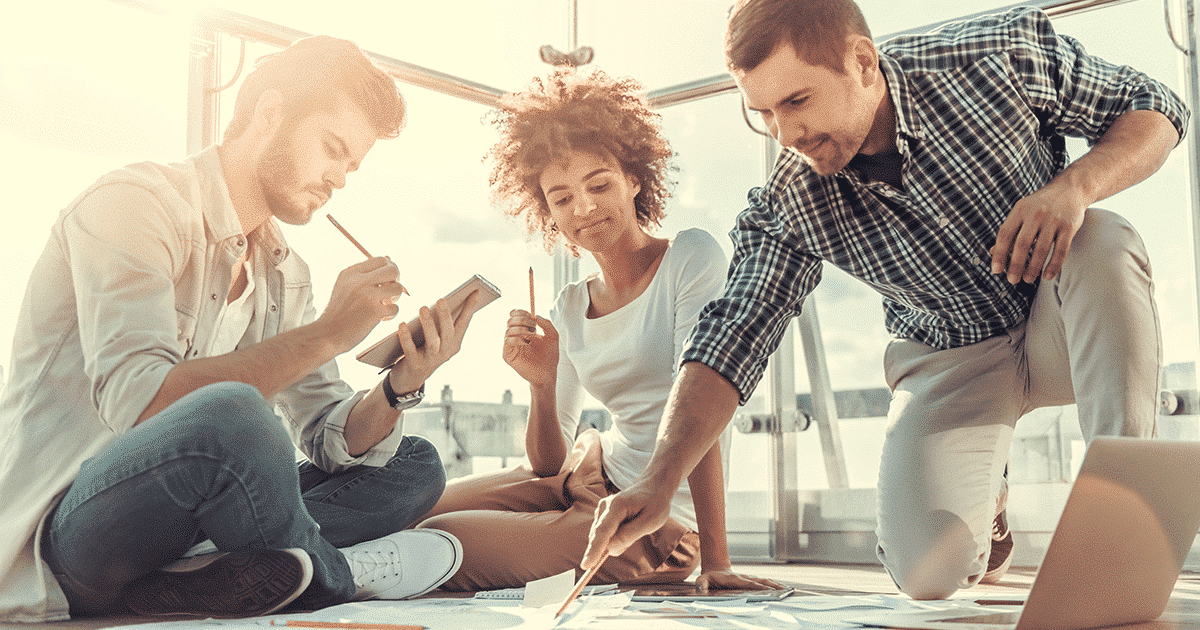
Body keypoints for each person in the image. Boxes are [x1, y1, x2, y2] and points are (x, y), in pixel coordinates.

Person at [581, 0, 1189, 600]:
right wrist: (658, 484)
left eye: (797, 101)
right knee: (927, 574)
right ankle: (989, 505)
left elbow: (1155, 107)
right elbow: (731, 335)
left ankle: (1122, 508)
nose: (786, 134)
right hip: (949, 350)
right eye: (762, 113)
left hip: (1060, 317)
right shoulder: (792, 202)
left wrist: (1072, 188)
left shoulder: (999, 55)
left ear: (863, 63)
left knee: (1104, 239)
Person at [0, 35, 483, 622]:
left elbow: (330, 441)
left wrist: (398, 386)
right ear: (269, 115)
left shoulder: (286, 271)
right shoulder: (134, 205)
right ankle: (338, 575)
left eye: (351, 165)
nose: (340, 178)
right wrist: (330, 333)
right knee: (233, 414)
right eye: (332, 149)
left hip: (179, 529)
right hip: (69, 532)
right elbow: (140, 401)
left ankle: (197, 578)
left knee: (411, 462)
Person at [416, 67, 783, 592]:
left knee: (442, 537)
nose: (583, 208)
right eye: (561, 198)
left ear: (634, 179)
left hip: (655, 523)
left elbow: (706, 402)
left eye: (599, 184)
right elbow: (547, 462)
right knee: (417, 507)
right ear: (548, 213)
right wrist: (540, 385)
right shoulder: (570, 304)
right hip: (585, 471)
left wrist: (715, 562)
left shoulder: (691, 257)